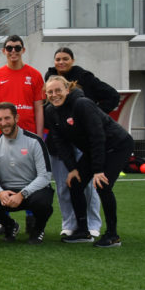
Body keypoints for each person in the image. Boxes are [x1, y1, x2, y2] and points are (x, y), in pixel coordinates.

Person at [44, 75, 134, 248]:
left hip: (117, 145)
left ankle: (112, 235)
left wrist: (98, 170)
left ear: (67, 89)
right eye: (50, 92)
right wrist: (72, 168)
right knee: (75, 183)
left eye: (58, 90)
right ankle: (83, 232)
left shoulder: (82, 104)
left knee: (102, 185)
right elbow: (60, 142)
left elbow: (97, 136)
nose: (54, 95)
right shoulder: (50, 111)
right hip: (94, 149)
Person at [44, 47, 120, 238]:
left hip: (83, 142)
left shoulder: (85, 78)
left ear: (73, 60)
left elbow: (112, 96)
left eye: (65, 58)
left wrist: (94, 115)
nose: (61, 62)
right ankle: (70, 224)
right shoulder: (49, 79)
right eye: (58, 59)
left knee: (89, 186)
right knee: (65, 185)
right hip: (61, 140)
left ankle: (93, 224)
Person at [0, 103, 54, 244]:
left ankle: (38, 229)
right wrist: (0, 193)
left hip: (32, 191)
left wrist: (22, 194)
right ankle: (10, 225)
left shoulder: (35, 141)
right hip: (7, 193)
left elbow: (45, 176)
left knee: (42, 203)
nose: (3, 123)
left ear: (16, 118)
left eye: (7, 118)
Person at [0, 35, 44, 138]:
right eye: (9, 48)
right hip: (3, 134)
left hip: (29, 134)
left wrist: (39, 136)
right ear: (4, 51)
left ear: (23, 50)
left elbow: (39, 108)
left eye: (17, 48)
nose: (13, 51)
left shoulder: (35, 75)